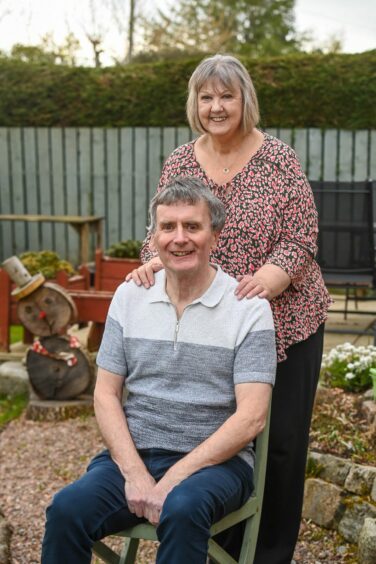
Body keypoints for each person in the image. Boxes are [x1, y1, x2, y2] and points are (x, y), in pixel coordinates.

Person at [127, 54, 331, 564]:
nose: (216, 107)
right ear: (196, 104)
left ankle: (268, 554)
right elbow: (163, 229)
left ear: (245, 101)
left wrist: (270, 277)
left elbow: (301, 235)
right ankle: (213, 542)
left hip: (286, 322)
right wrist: (151, 263)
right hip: (212, 329)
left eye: (227, 97)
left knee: (279, 446)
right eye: (206, 97)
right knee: (218, 435)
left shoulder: (278, 159)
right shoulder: (180, 160)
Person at [41, 177, 276, 564]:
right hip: (135, 456)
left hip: (216, 466)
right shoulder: (131, 296)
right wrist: (134, 474)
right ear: (153, 238)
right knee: (66, 509)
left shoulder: (247, 309)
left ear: (214, 236)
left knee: (182, 510)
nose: (179, 238)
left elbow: (252, 418)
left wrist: (172, 479)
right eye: (168, 227)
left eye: (192, 226)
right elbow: (104, 393)